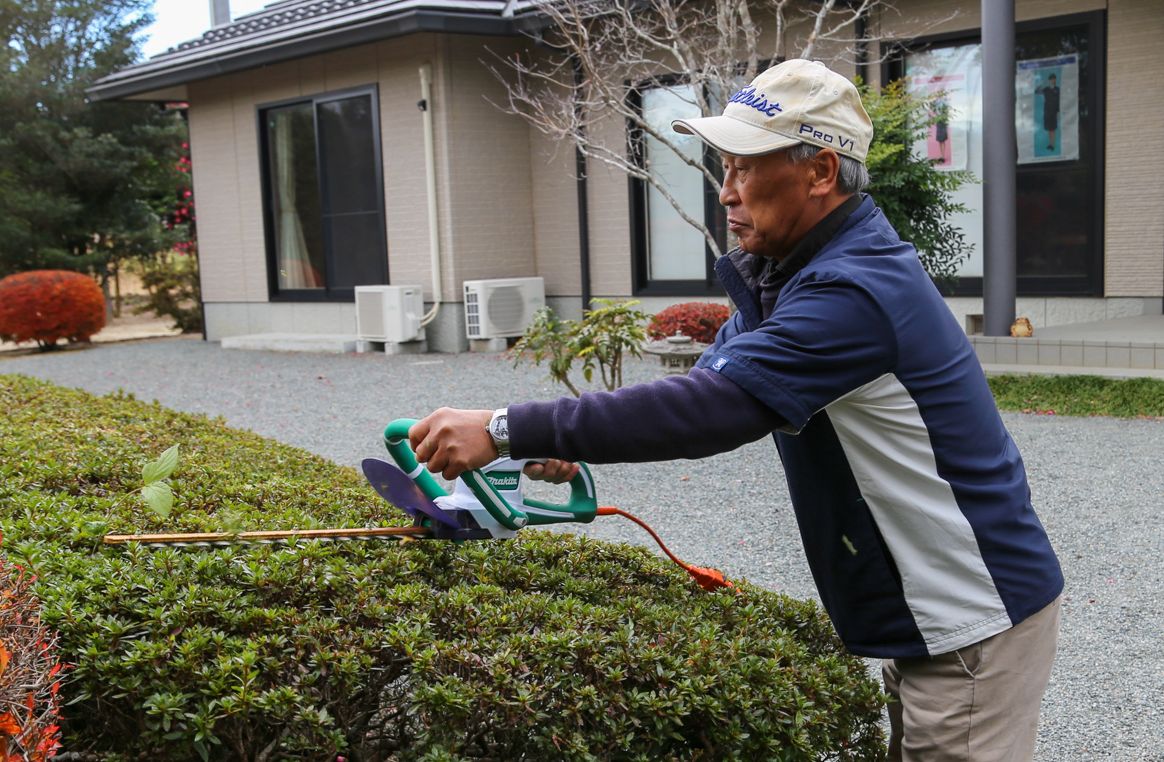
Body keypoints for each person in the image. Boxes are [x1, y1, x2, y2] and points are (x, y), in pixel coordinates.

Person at [408, 59, 1063, 762]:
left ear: (819, 173)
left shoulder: (852, 293)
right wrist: (561, 439)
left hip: (972, 619)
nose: (725, 193)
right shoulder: (793, 273)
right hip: (933, 611)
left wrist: (504, 427)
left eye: (745, 168)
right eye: (724, 167)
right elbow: (709, 386)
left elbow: (713, 408)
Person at [1036, 73, 1060, 152]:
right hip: (1047, 112)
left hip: (1054, 112)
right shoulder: (1046, 89)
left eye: (1054, 79)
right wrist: (1042, 84)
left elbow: (1058, 102)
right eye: (1051, 79)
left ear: (1055, 80)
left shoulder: (1057, 89)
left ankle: (1052, 145)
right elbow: (1036, 91)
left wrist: (1058, 112)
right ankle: (1050, 144)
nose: (1052, 80)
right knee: (1049, 130)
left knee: (1052, 130)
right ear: (1049, 80)